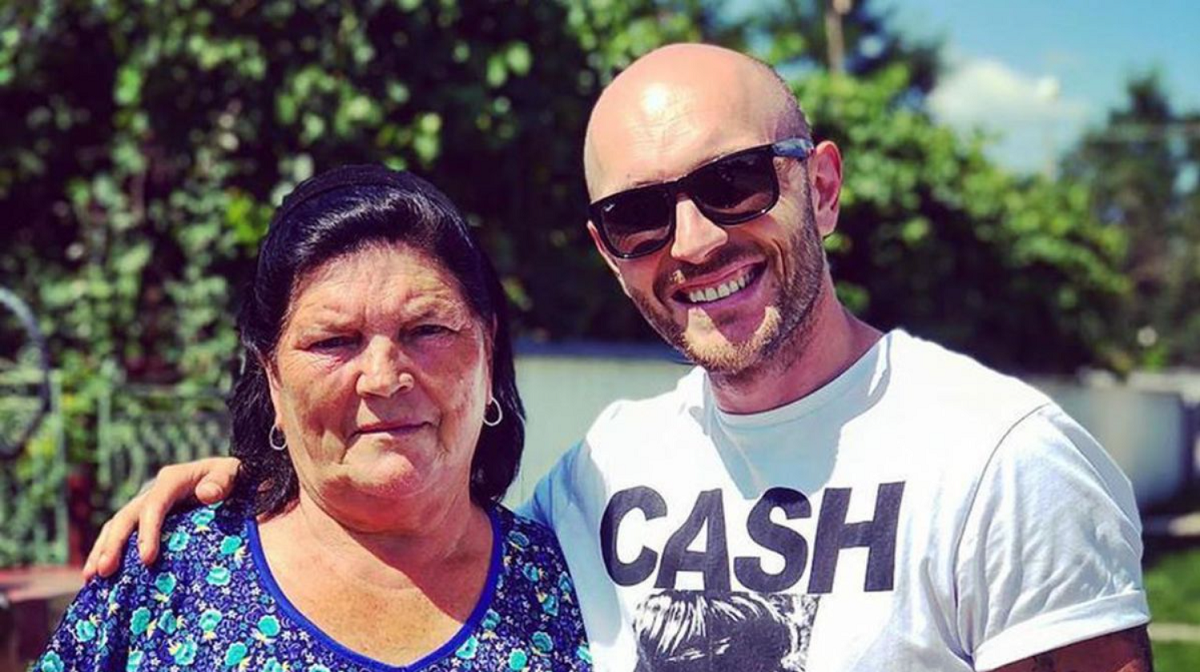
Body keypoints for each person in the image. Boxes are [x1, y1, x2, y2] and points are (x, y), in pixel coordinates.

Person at [83, 45, 1152, 671]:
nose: (694, 241)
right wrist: (256, 482)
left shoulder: (1002, 459)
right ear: (608, 251)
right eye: (640, 215)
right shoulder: (599, 477)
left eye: (734, 182)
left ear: (820, 187)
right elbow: (407, 510)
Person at [40, 166, 591, 672]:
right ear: (273, 378)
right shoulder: (164, 579)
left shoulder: (579, 589)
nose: (383, 378)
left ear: (488, 352)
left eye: (427, 330)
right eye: (334, 341)